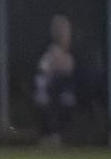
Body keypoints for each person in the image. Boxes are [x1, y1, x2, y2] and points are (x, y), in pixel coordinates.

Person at [33, 14, 78, 148]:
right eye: (64, 32)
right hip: (49, 94)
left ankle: (55, 135)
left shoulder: (68, 57)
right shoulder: (50, 53)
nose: (67, 36)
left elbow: (69, 69)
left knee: (66, 100)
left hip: (60, 96)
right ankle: (49, 135)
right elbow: (42, 73)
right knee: (51, 103)